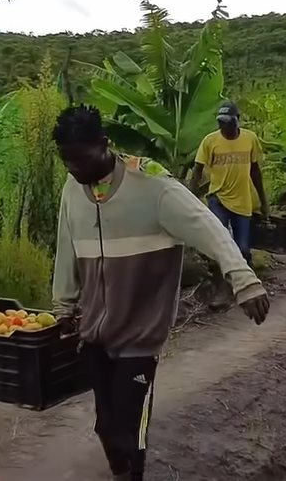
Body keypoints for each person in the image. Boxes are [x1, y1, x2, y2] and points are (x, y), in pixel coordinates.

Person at [51, 105, 271, 481]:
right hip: (95, 333)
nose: (74, 170)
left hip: (141, 333)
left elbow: (209, 228)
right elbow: (66, 247)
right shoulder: (74, 189)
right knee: (106, 427)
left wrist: (243, 279)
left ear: (104, 145)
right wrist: (63, 307)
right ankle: (121, 470)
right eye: (67, 162)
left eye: (81, 159)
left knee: (128, 427)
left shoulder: (153, 185)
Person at [187, 101, 268, 260]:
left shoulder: (249, 139)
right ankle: (221, 278)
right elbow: (197, 169)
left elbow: (255, 172)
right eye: (221, 123)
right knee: (220, 244)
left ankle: (246, 277)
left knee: (243, 248)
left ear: (238, 119)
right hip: (218, 199)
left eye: (228, 122)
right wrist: (190, 197)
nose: (224, 127)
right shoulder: (210, 141)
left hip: (243, 201)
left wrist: (263, 201)